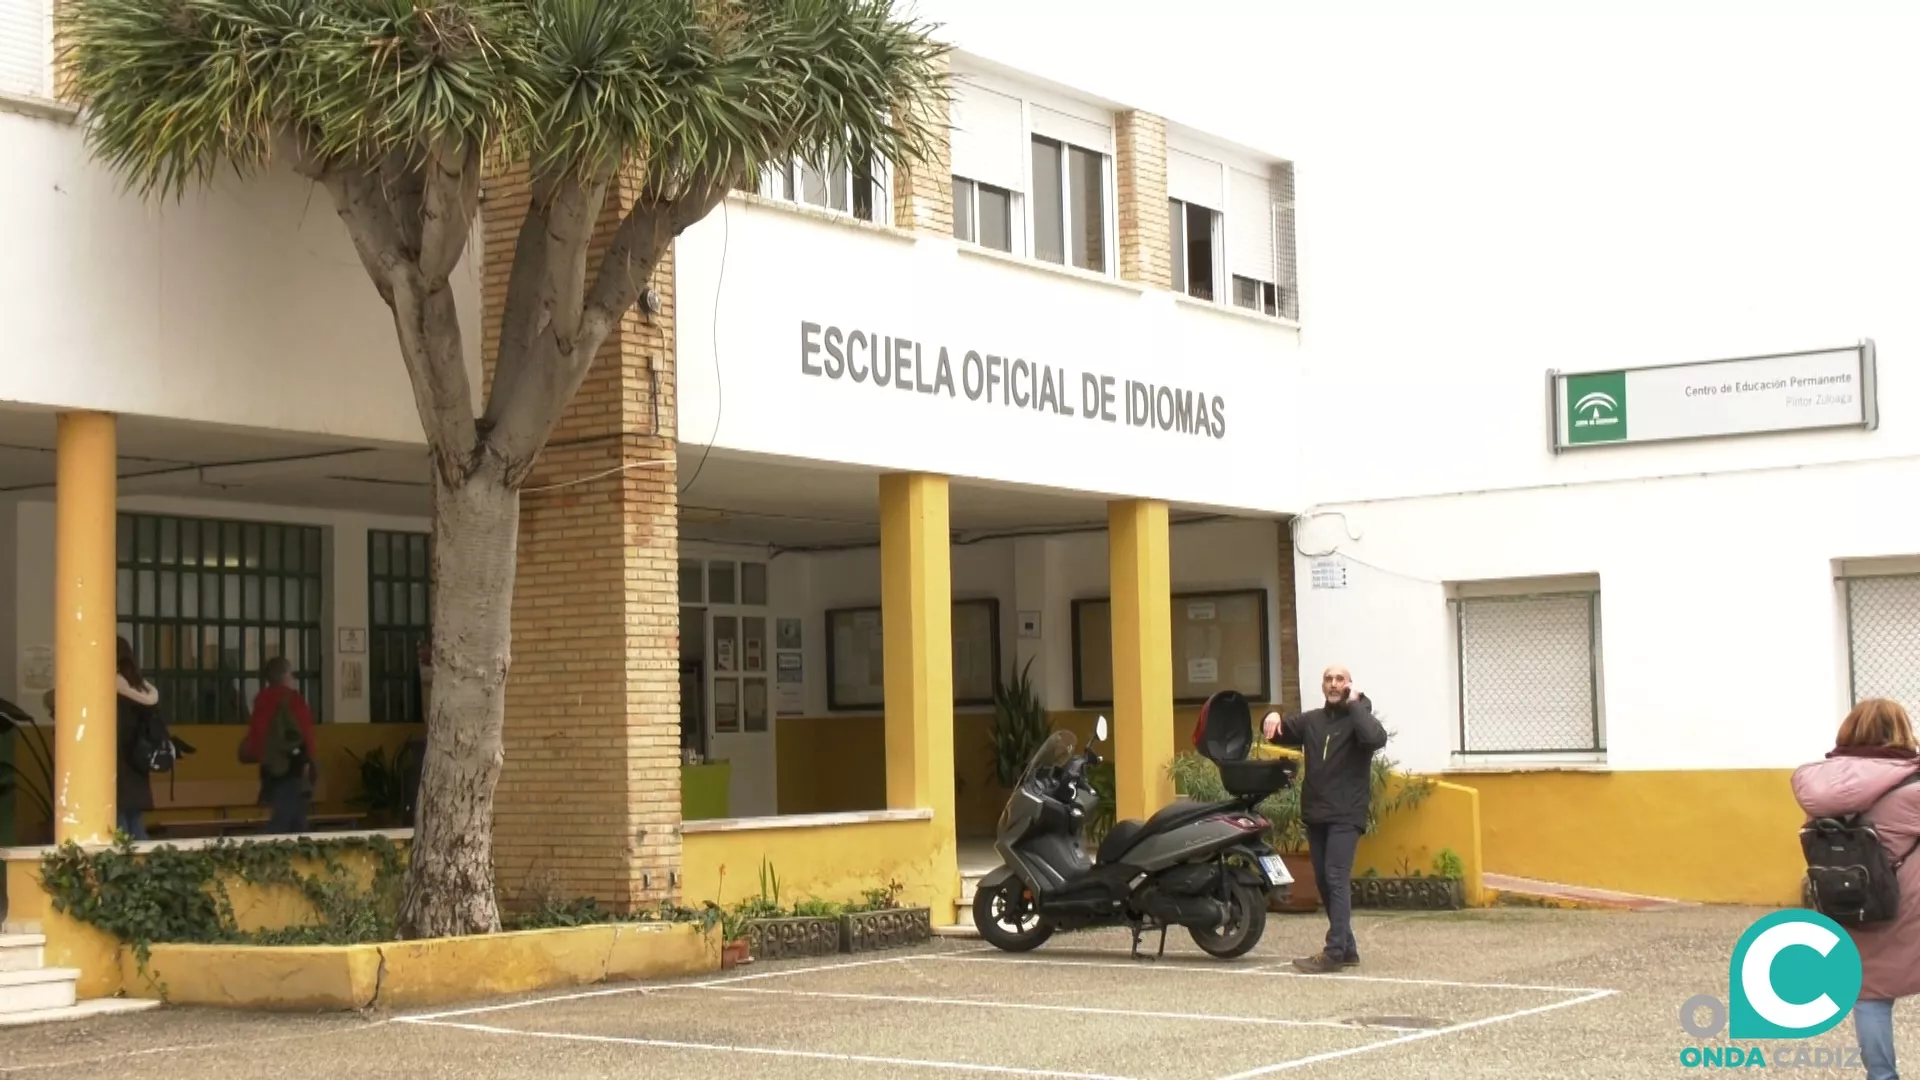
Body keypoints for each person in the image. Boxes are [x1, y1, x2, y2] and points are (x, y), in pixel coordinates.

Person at [1790, 697, 1919, 1080]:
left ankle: (1881, 1076)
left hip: (1850, 901)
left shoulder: (1821, 787)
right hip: (1910, 906)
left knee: (1869, 994)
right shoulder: (1913, 788)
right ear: (1901, 732)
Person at [1261, 665, 1388, 973]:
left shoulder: (1360, 720)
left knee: (1335, 876)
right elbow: (1278, 733)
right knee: (1323, 880)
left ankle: (1333, 950)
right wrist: (1271, 716)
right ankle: (1347, 948)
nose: (1333, 684)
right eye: (1329, 679)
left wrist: (1355, 704)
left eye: (1339, 680)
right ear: (1323, 685)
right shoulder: (1313, 721)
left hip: (1346, 813)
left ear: (1349, 685)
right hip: (1317, 813)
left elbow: (1375, 738)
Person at [240, 656, 319, 834]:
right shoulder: (293, 700)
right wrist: (309, 761)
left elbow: (255, 738)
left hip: (270, 769)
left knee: (295, 818)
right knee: (285, 821)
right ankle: (262, 854)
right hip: (293, 767)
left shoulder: (261, 701)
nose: (294, 678)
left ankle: (295, 854)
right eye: (291, 674)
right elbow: (306, 734)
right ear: (285, 675)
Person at [113, 636, 161, 841]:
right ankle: (144, 868)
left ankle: (127, 870)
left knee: (120, 823)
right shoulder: (142, 687)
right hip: (138, 763)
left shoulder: (112, 689)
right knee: (134, 820)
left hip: (118, 763)